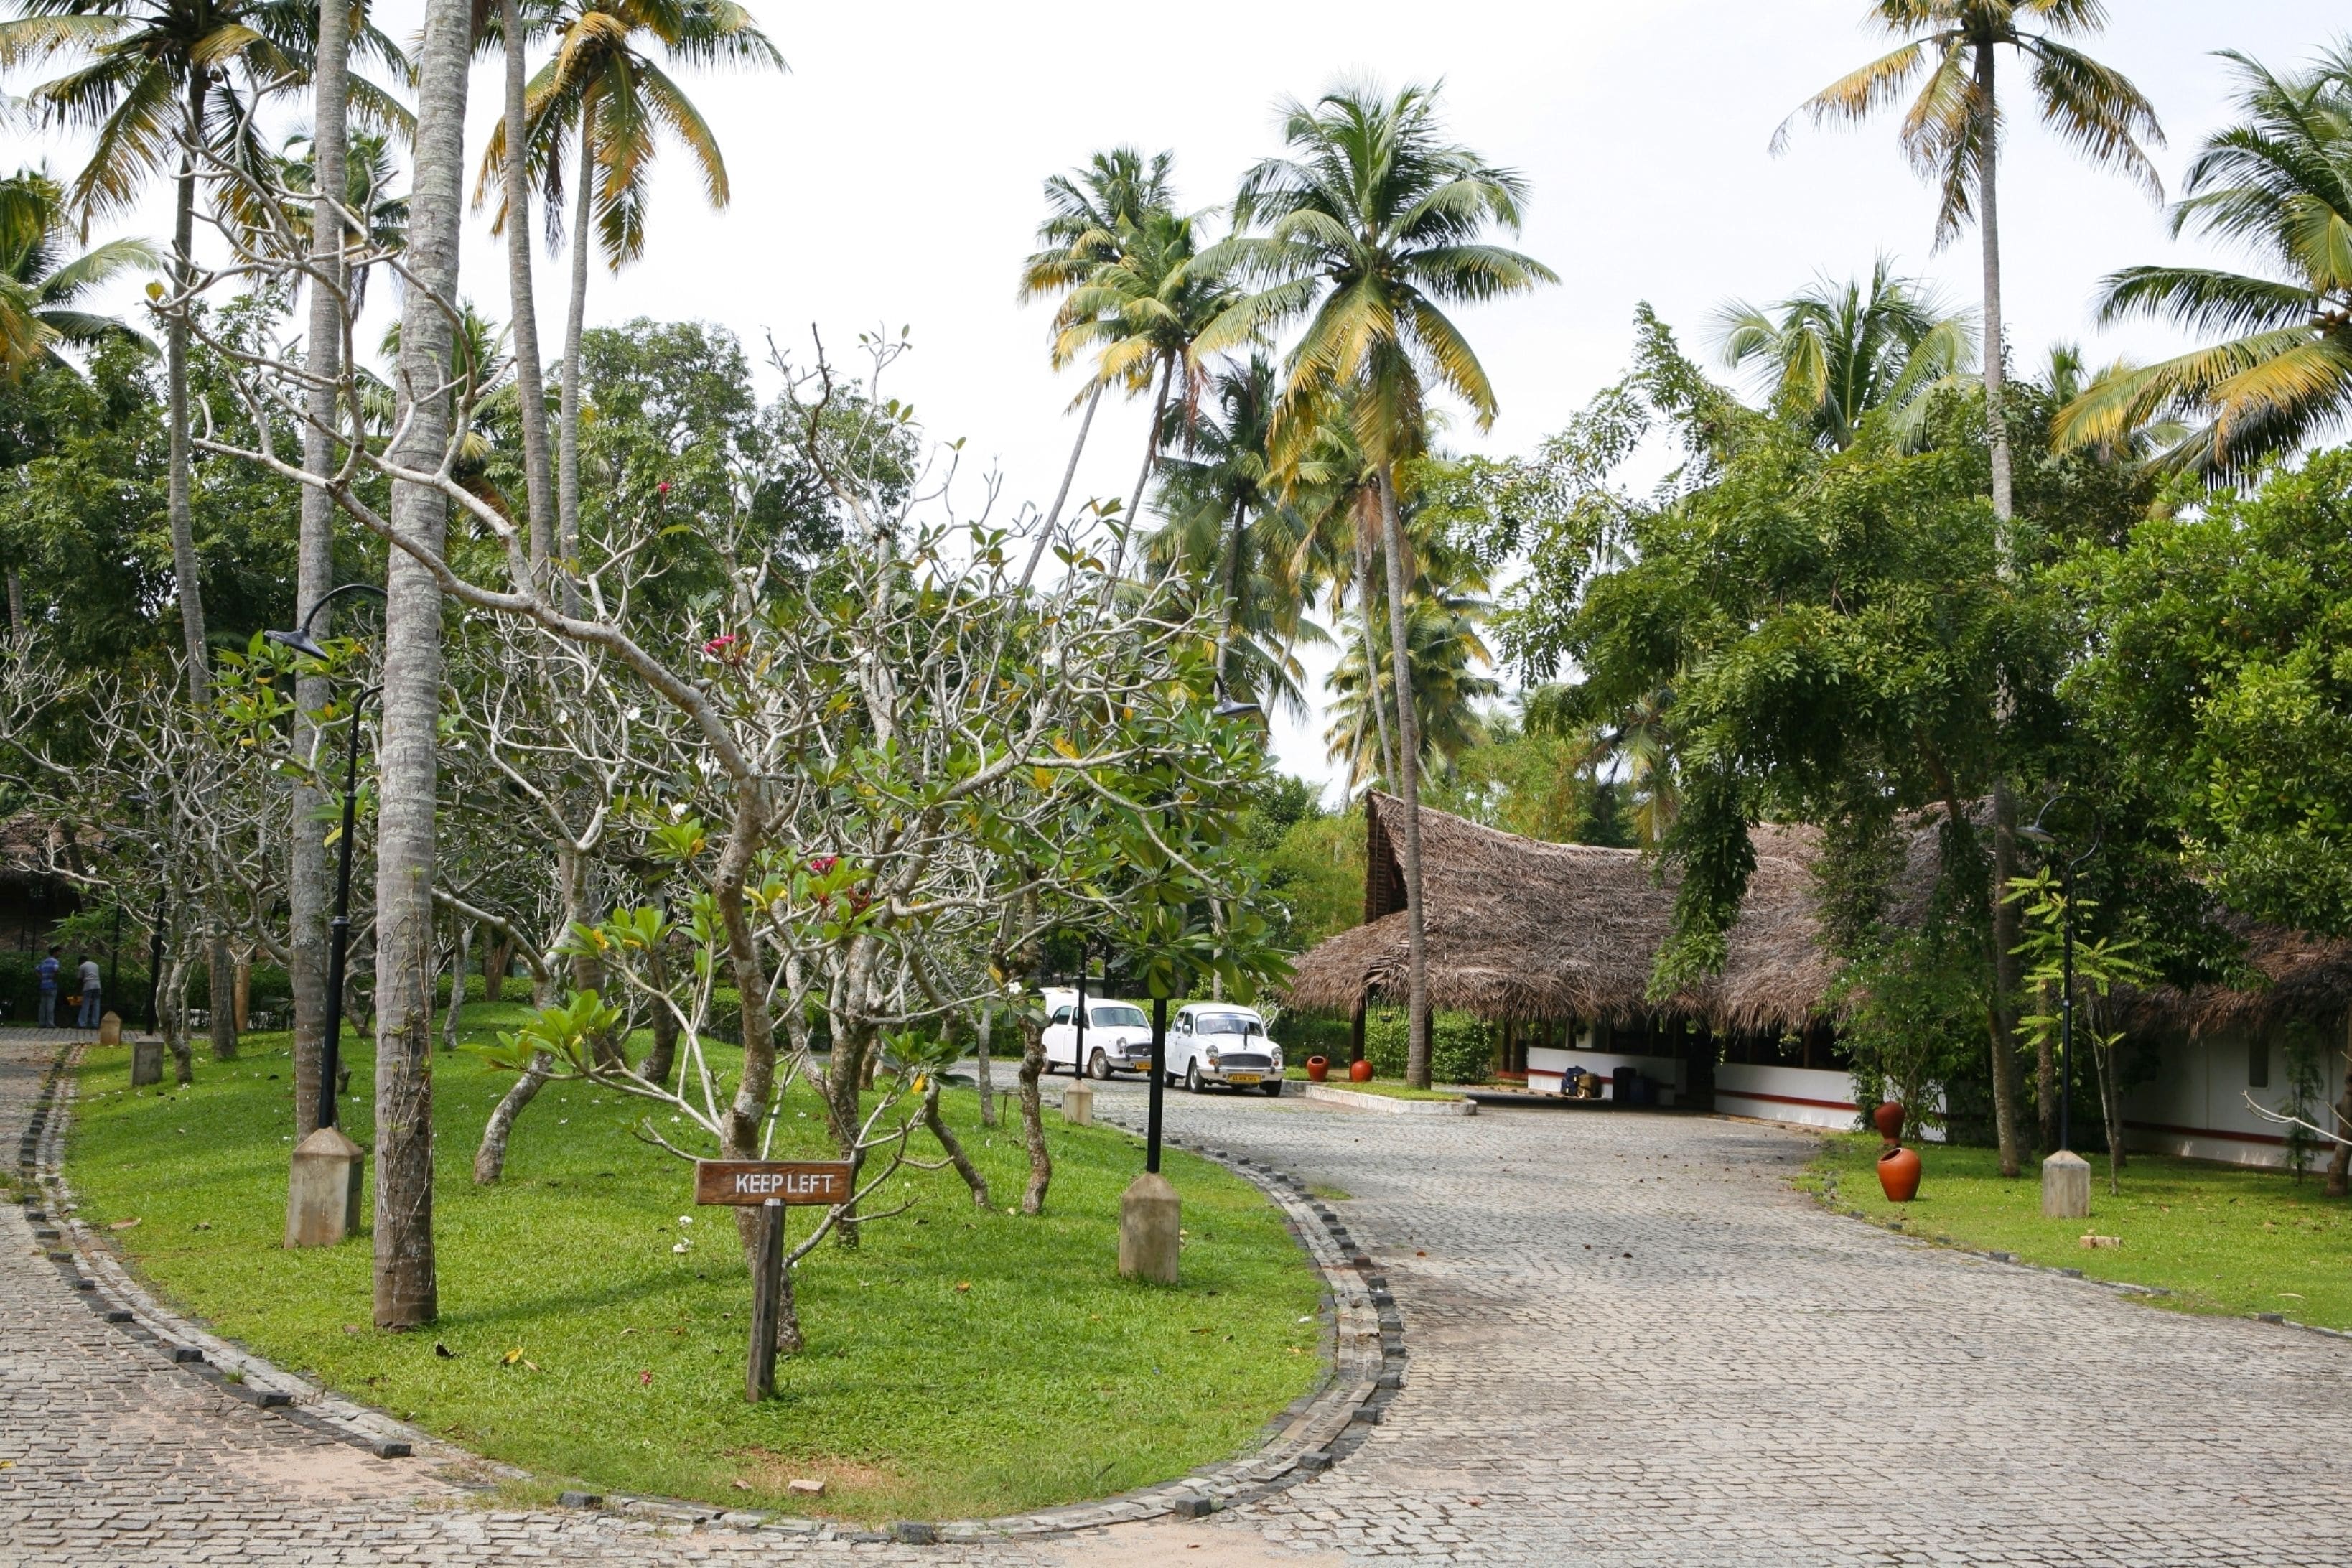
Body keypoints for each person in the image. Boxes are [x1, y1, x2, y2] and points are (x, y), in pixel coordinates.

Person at [34, 946, 60, 1027]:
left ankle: (42, 1023)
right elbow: (56, 970)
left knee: (43, 1006)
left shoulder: (44, 961)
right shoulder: (55, 961)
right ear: (55, 952)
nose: (60, 954)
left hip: (43, 985)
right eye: (59, 952)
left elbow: (37, 969)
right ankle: (50, 1023)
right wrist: (54, 978)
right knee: (50, 1005)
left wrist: (41, 978)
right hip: (51, 986)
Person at [75, 953, 102, 1030]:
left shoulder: (82, 966)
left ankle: (82, 1023)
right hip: (98, 985)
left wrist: (77, 992)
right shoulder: (95, 965)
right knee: (96, 1004)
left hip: (88, 985)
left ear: (80, 961)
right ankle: (95, 1023)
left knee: (86, 1003)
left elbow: (79, 980)